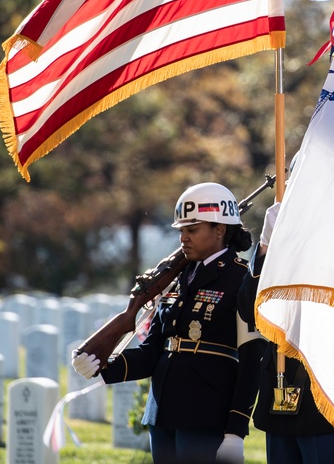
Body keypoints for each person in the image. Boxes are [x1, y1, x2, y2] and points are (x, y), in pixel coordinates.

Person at [72, 182, 261, 464]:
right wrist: (103, 363)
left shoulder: (241, 279)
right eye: (181, 231)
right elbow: (153, 351)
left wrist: (236, 429)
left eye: (192, 230)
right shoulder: (178, 278)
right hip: (162, 410)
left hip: (205, 413)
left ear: (220, 230)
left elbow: (251, 360)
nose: (183, 238)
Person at [237, 200, 334, 462]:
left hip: (328, 401)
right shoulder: (283, 249)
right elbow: (248, 309)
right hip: (281, 388)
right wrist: (265, 249)